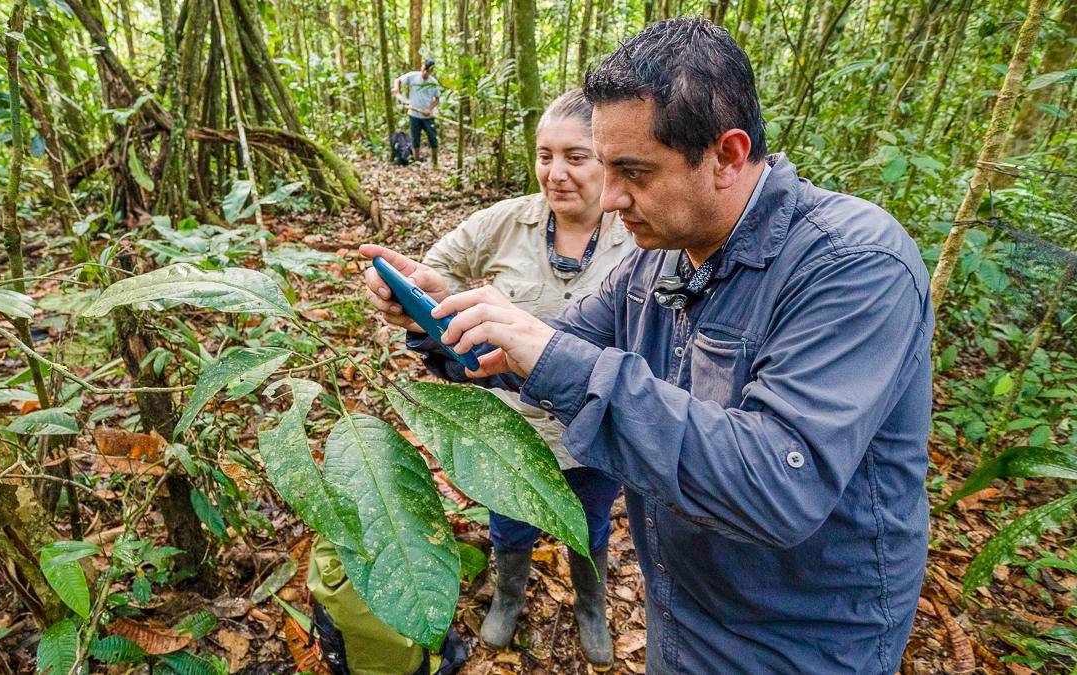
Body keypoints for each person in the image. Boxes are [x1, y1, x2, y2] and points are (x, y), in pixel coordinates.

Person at [362, 17, 933, 674]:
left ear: (726, 155)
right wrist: (442, 320)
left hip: (801, 643)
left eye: (632, 171)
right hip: (681, 613)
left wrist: (544, 349)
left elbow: (782, 481)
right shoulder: (657, 260)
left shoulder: (854, 266)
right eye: (605, 168)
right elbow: (549, 356)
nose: (609, 198)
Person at [418, 89, 635, 669]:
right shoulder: (505, 222)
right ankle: (509, 594)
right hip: (510, 425)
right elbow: (433, 271)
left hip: (593, 428)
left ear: (608, 159)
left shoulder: (639, 233)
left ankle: (591, 605)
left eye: (576, 156)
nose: (556, 173)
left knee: (586, 526)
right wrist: (414, 296)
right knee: (510, 518)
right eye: (545, 155)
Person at [393, 59, 441, 168]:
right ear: (422, 68)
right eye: (424, 70)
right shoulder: (413, 76)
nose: (425, 73)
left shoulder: (433, 82)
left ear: (431, 71)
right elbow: (398, 80)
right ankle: (417, 162)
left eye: (428, 71)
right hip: (414, 115)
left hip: (428, 116)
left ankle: (435, 163)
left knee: (433, 139)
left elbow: (437, 99)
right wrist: (396, 88)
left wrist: (429, 109)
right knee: (415, 139)